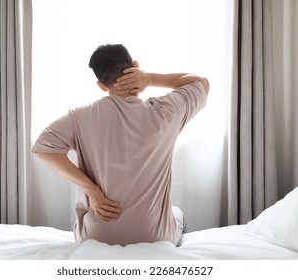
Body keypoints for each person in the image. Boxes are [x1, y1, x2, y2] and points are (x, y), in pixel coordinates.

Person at [31, 44, 209, 246]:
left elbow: (42, 149)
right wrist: (149, 78)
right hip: (156, 235)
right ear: (136, 66)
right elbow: (201, 83)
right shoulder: (167, 111)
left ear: (101, 84)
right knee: (177, 213)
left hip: (95, 235)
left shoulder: (80, 117)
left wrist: (91, 189)